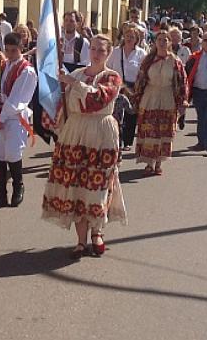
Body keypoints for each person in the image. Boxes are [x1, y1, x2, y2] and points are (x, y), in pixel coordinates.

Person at [42, 35, 127, 260]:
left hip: (101, 132)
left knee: (98, 183)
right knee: (78, 184)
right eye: (94, 49)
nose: (97, 53)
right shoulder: (78, 74)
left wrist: (73, 84)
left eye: (102, 50)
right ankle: (80, 240)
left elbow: (96, 101)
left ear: (108, 53)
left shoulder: (112, 77)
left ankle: (97, 233)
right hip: (76, 131)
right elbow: (65, 105)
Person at [0, 31, 37, 209]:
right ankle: (1, 193)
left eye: (14, 50)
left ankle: (18, 186)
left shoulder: (27, 71)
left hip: (15, 116)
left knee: (12, 152)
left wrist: (2, 118)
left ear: (21, 48)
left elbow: (17, 99)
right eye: (7, 50)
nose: (9, 54)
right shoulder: (4, 65)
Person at [132, 30, 188, 175]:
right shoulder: (148, 60)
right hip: (150, 97)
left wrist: (182, 101)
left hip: (167, 98)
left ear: (170, 42)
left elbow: (182, 82)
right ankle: (149, 163)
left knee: (163, 131)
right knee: (149, 130)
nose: (162, 43)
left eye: (165, 40)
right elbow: (140, 80)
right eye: (159, 40)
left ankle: (158, 163)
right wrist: (136, 98)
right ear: (155, 42)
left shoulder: (175, 62)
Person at [107, 23, 146, 151]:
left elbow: (144, 71)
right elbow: (108, 67)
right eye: (127, 36)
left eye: (132, 37)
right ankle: (117, 139)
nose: (129, 39)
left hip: (133, 87)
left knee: (131, 114)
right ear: (123, 37)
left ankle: (128, 141)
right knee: (117, 114)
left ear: (137, 39)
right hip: (117, 85)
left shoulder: (141, 54)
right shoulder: (116, 51)